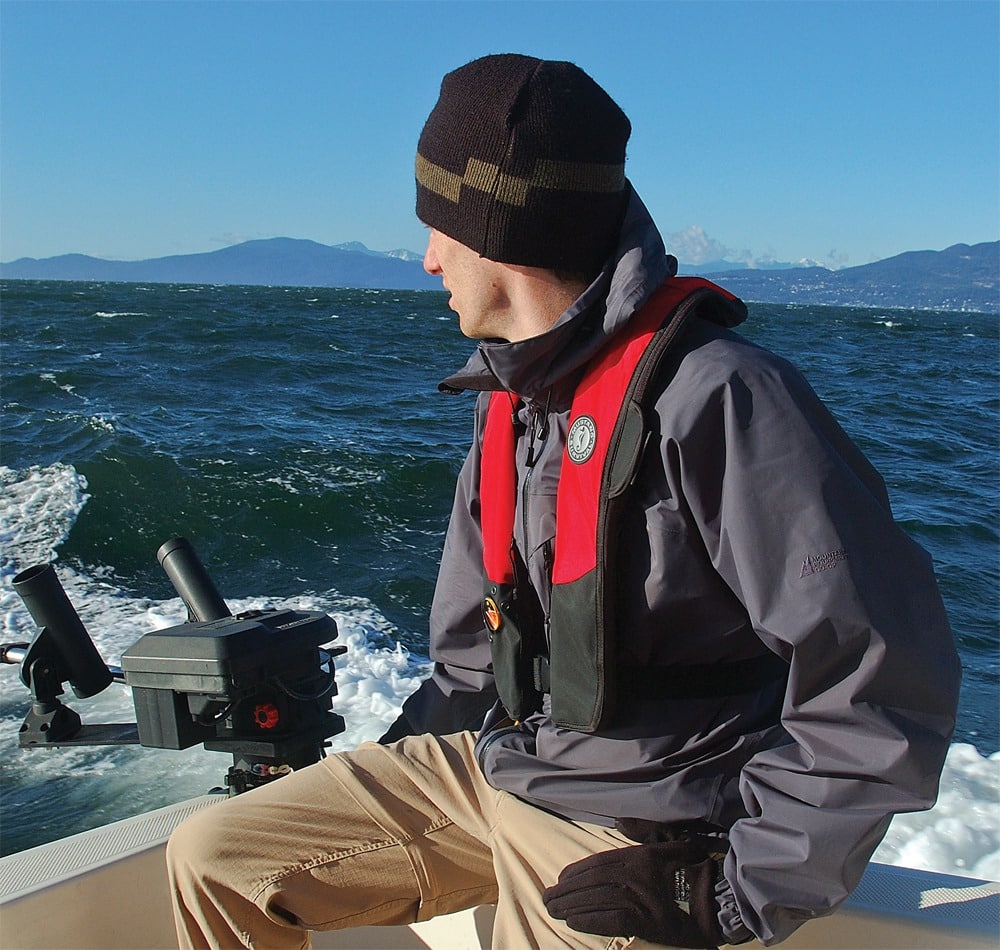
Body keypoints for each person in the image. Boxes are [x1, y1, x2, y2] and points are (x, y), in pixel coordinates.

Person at [167, 54, 961, 949]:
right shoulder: (511, 403)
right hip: (507, 765)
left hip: (648, 829)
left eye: (436, 227)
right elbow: (472, 662)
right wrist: (386, 773)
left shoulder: (721, 399)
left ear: (494, 227)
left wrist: (730, 891)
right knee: (215, 854)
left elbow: (880, 667)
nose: (426, 258)